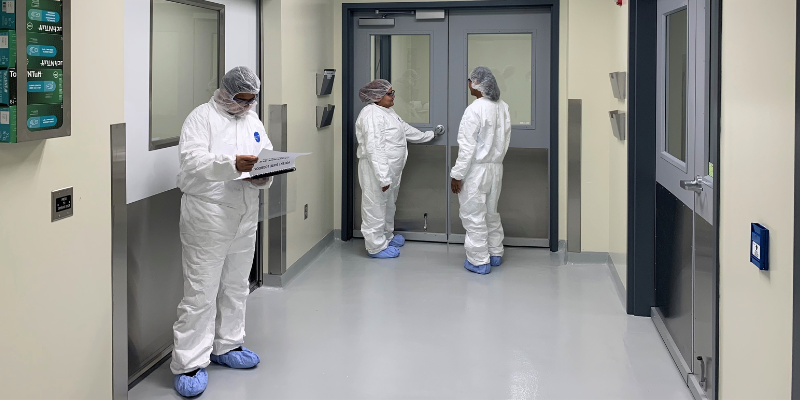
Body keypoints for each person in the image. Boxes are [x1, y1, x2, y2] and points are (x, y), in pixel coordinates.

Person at [171, 66, 271, 397]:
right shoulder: (200, 118)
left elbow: (265, 154)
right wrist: (233, 165)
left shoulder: (252, 120)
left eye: (251, 100)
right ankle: (189, 362)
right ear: (226, 94)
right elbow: (193, 161)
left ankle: (227, 345)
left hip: (245, 212)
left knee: (236, 285)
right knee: (201, 292)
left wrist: (263, 174)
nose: (246, 106)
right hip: (208, 215)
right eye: (241, 100)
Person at [356, 79, 439, 258]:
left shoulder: (387, 111)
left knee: (388, 205)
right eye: (389, 93)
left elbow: (404, 129)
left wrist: (428, 135)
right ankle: (375, 246)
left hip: (392, 170)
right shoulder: (371, 115)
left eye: (393, 92)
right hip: (376, 171)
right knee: (375, 207)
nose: (393, 96)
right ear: (377, 96)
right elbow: (374, 148)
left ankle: (386, 236)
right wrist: (383, 177)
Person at [450, 67, 511, 275]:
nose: (468, 85)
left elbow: (467, 147)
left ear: (476, 83)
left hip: (476, 171)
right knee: (491, 213)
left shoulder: (474, 109)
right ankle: (495, 253)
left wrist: (457, 175)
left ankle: (478, 261)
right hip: (496, 169)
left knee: (474, 215)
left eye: (469, 81)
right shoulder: (503, 107)